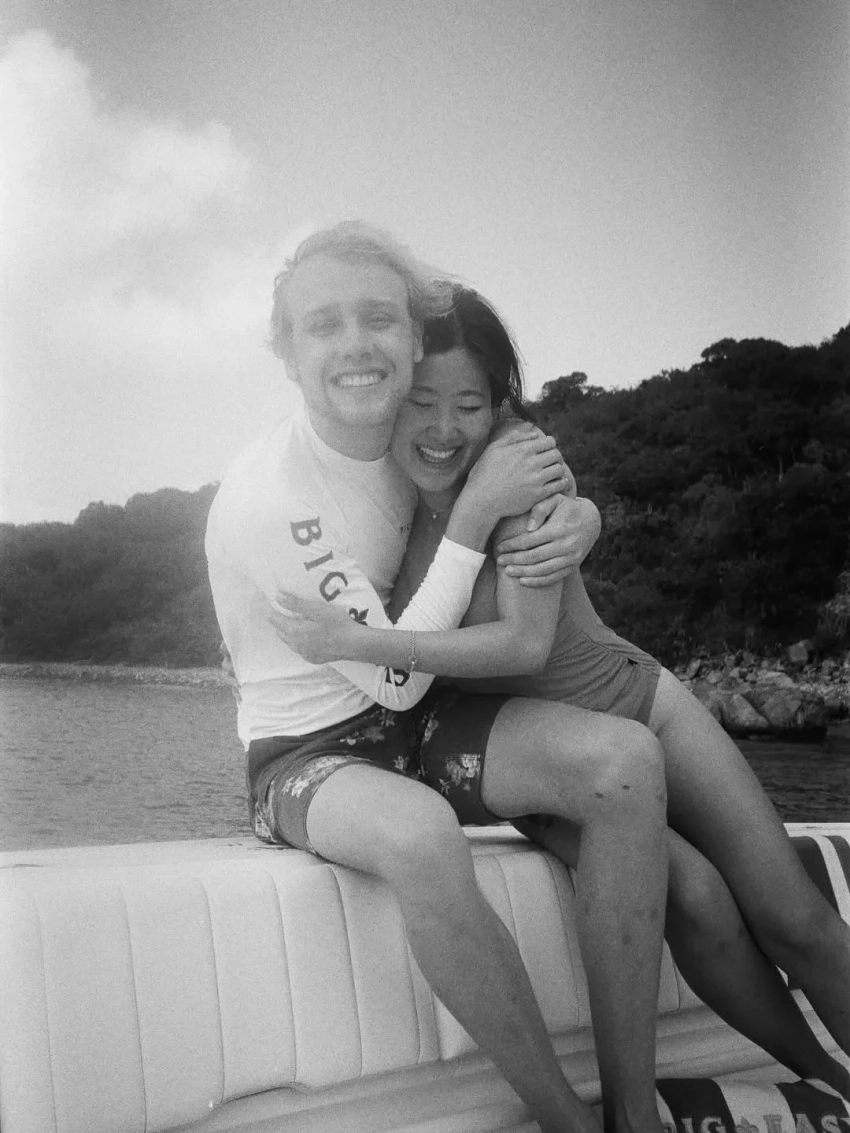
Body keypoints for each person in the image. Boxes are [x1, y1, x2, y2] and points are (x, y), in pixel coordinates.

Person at [271, 283, 850, 1102]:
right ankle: (825, 1078)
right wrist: (585, 512)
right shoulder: (376, 484)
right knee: (696, 897)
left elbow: (526, 642)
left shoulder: (514, 463)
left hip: (635, 699)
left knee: (795, 917)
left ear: (497, 404)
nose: (443, 429)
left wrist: (360, 639)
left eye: (468, 405)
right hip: (537, 747)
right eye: (423, 402)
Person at [207, 221, 668, 1133]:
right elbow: (395, 681)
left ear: (414, 339)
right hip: (306, 753)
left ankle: (634, 1107)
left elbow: (526, 477)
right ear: (287, 353)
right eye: (323, 324)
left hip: (422, 722)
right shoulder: (272, 499)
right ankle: (571, 1124)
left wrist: (582, 516)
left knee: (624, 764)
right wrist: (472, 520)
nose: (355, 344)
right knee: (421, 837)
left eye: (378, 318)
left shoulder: (413, 435)